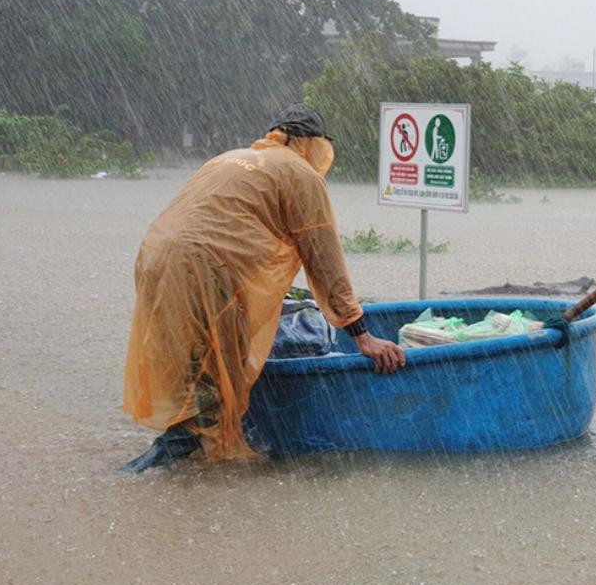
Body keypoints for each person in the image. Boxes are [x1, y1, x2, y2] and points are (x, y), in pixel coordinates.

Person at [122, 103, 405, 468]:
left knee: (191, 361)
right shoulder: (302, 175)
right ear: (312, 144)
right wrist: (362, 334)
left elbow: (231, 222)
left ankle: (187, 462)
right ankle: (159, 464)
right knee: (217, 365)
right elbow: (325, 261)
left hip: (157, 255)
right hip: (210, 266)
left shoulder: (228, 159)